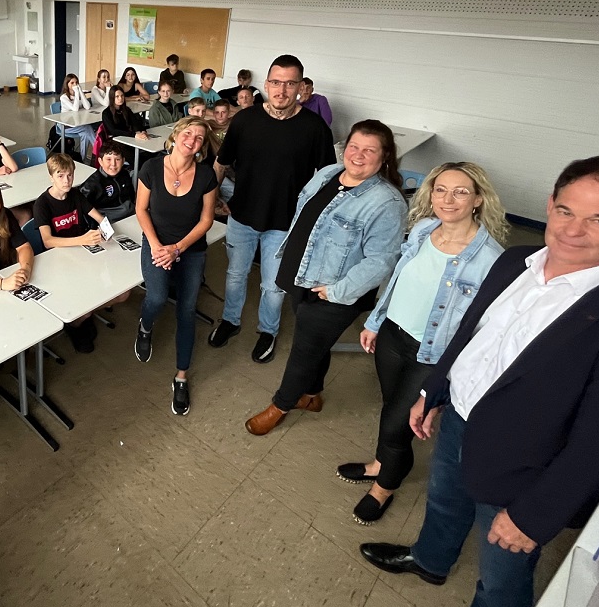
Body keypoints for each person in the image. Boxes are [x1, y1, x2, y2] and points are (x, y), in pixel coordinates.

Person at [361, 156, 599, 607]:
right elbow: (471, 336)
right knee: (444, 503)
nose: (574, 230)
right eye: (567, 211)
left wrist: (536, 515)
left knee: (502, 581)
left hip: (523, 470)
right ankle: (429, 560)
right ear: (550, 205)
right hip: (459, 422)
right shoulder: (516, 260)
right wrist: (435, 390)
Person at [340, 162, 508, 524]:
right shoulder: (423, 229)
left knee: (395, 425)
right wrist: (375, 321)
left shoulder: (489, 259)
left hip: (431, 355)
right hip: (392, 336)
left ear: (478, 199)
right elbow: (399, 281)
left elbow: (482, 332)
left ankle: (385, 484)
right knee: (391, 410)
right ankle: (381, 463)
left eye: (460, 191)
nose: (448, 199)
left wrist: (443, 385)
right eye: (440, 189)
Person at [245, 120, 406, 436]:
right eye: (354, 147)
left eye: (369, 151)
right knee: (315, 343)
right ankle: (312, 395)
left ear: (384, 157)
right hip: (302, 276)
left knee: (303, 350)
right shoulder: (328, 174)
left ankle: (281, 405)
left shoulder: (387, 202)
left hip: (335, 292)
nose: (358, 156)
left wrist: (338, 291)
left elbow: (382, 261)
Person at [208, 54, 336, 363]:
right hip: (242, 215)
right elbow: (221, 164)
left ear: (300, 87)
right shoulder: (245, 120)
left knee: (274, 285)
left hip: (285, 222)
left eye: (289, 83)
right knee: (235, 274)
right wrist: (210, 199)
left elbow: (328, 178)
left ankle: (268, 330)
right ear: (265, 85)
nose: (281, 90)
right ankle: (231, 320)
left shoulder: (315, 127)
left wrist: (313, 222)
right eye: (276, 83)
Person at [133, 117, 219, 416]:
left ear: (202, 147)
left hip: (190, 250)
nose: (192, 140)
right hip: (156, 244)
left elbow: (207, 220)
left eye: (199, 138)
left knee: (187, 310)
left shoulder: (206, 176)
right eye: (188, 133)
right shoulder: (152, 168)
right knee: (156, 298)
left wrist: (178, 249)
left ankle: (181, 377)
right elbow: (140, 209)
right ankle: (145, 327)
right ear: (176, 134)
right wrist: (158, 246)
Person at [33, 154, 129, 352]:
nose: (66, 181)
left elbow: (98, 216)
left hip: (82, 253)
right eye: (60, 176)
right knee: (87, 307)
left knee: (123, 294)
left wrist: (106, 230)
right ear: (51, 177)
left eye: (69, 175)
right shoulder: (42, 204)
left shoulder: (76, 195)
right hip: (58, 261)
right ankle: (77, 321)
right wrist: (83, 239)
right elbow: (48, 241)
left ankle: (86, 313)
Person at [80, 143, 136, 221]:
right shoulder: (93, 183)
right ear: (100, 161)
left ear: (123, 161)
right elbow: (84, 208)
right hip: (108, 220)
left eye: (117, 159)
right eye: (108, 159)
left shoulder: (125, 174)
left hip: (130, 214)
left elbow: (132, 195)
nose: (113, 164)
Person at [57, 73, 99, 158]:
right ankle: (99, 150)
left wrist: (80, 92)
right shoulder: (64, 97)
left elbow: (87, 106)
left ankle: (82, 158)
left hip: (77, 123)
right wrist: (77, 93)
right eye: (72, 83)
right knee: (87, 128)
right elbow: (75, 109)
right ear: (67, 84)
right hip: (65, 125)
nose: (75, 85)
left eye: (76, 82)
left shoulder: (78, 93)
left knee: (85, 133)